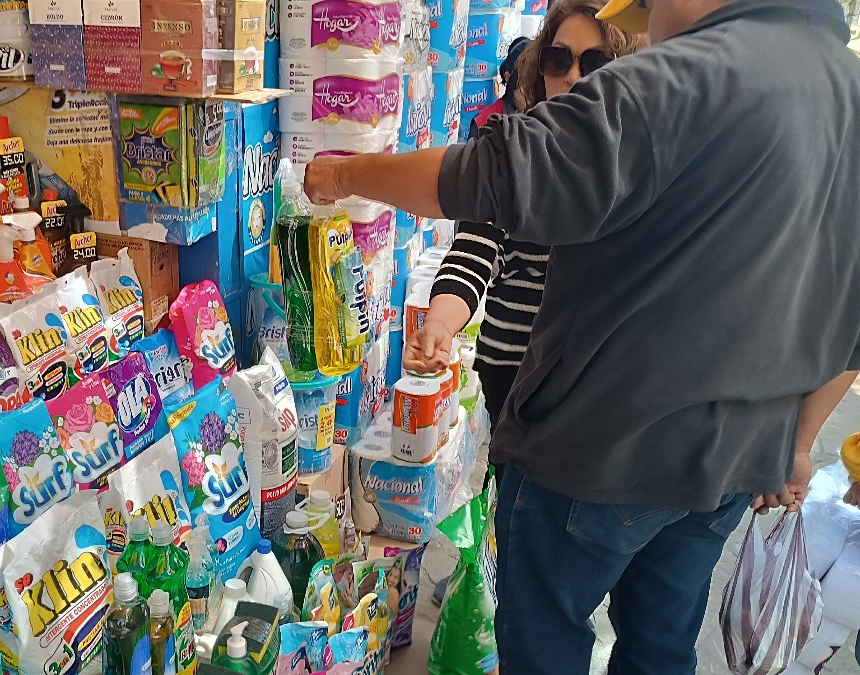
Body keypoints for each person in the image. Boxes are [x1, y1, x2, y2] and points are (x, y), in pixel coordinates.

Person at [302, 0, 860, 668]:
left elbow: (484, 177)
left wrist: (343, 173)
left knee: (546, 645)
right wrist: (794, 440)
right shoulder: (843, 94)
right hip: (725, 468)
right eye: (559, 59)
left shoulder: (675, 82)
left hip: (602, 454)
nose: (653, 21)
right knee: (660, 646)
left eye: (595, 58)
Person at [421, 0, 647, 607]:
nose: (572, 75)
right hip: (511, 383)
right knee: (518, 543)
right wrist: (441, 322)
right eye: (557, 58)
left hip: (591, 401)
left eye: (595, 60)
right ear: (537, 68)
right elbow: (474, 249)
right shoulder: (515, 152)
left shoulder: (644, 163)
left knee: (560, 574)